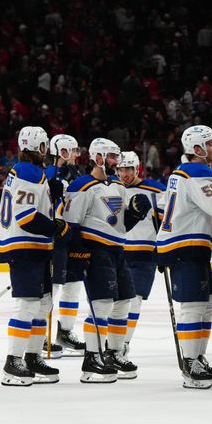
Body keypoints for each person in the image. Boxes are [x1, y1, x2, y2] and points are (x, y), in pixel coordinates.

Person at [0, 126, 70, 386]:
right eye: (45, 146)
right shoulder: (28, 171)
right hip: (25, 246)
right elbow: (26, 217)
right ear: (40, 147)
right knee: (26, 305)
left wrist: (51, 195)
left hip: (36, 247)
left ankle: (32, 356)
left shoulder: (31, 172)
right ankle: (13, 361)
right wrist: (56, 227)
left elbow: (34, 206)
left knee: (44, 304)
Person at [64, 138, 145, 383]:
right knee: (101, 305)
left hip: (117, 250)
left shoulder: (117, 185)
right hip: (95, 250)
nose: (116, 161)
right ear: (97, 157)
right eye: (111, 156)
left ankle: (113, 352)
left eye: (116, 156)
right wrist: (78, 256)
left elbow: (120, 226)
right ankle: (91, 359)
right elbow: (71, 224)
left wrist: (135, 215)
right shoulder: (82, 185)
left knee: (124, 301)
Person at [156, 125, 212, 390]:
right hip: (185, 244)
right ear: (196, 149)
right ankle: (190, 361)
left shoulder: (183, 171)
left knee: (208, 301)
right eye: (209, 144)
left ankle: (197, 356)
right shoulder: (197, 171)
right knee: (194, 306)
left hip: (187, 243)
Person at [116, 151, 166, 361]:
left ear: (137, 169)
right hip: (118, 253)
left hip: (144, 256)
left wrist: (165, 249)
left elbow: (167, 221)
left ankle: (123, 345)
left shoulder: (156, 190)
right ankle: (112, 345)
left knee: (134, 302)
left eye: (128, 169)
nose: (124, 174)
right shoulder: (112, 189)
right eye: (120, 169)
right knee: (115, 304)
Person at [44, 134, 85, 358]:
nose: (77, 154)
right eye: (74, 150)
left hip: (74, 236)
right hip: (57, 237)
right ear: (63, 152)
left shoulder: (76, 174)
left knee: (73, 284)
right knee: (53, 287)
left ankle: (65, 332)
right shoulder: (49, 174)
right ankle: (41, 336)